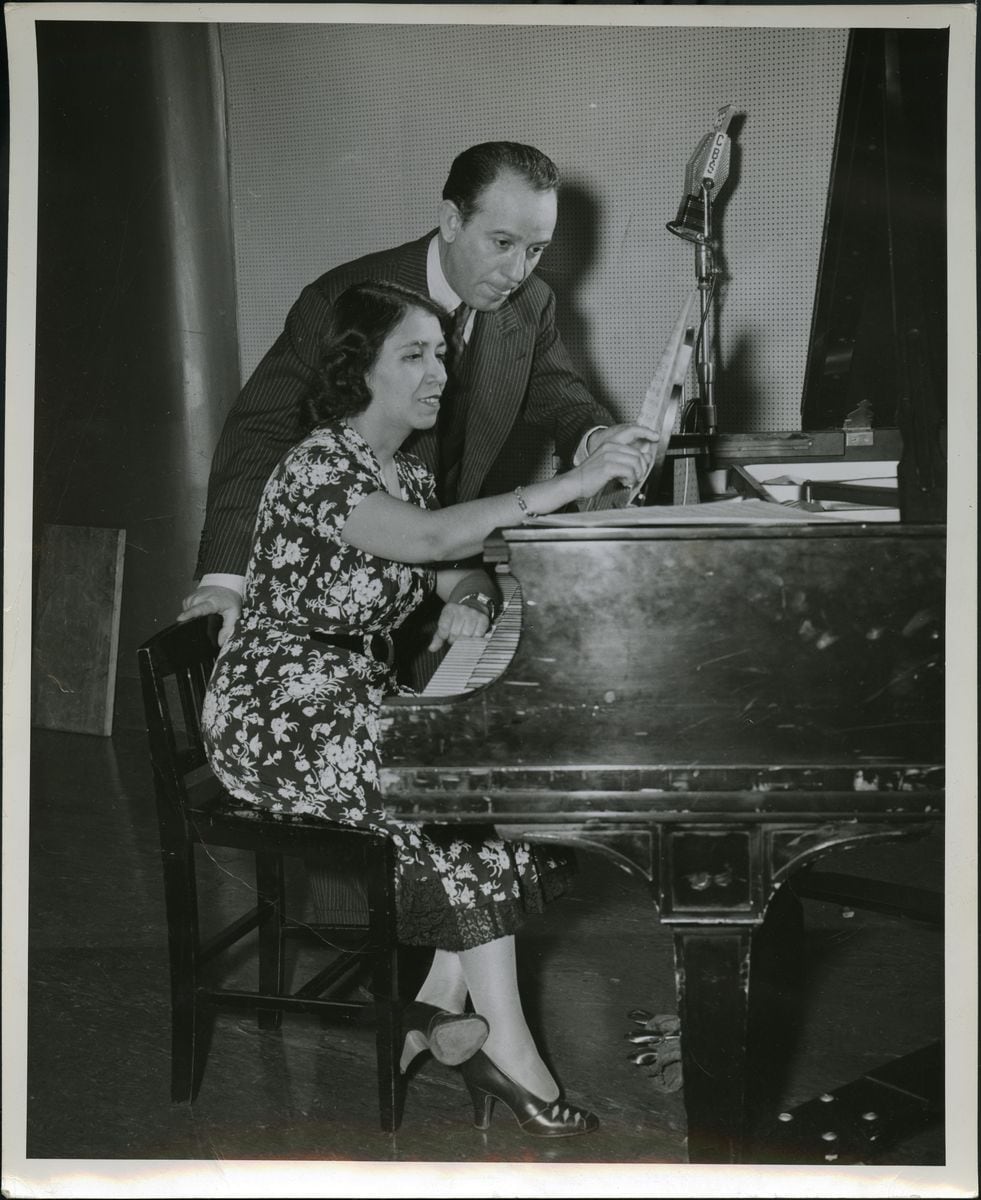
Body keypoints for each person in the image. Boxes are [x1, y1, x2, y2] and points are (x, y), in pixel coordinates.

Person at [200, 281, 653, 1136]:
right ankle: (507, 1050)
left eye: (440, 352)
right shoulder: (316, 465)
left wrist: (470, 597)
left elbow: (451, 563)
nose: (438, 370)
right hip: (275, 713)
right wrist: (579, 480)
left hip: (347, 695)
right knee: (451, 793)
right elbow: (432, 538)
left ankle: (438, 1012)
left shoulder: (402, 467)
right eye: (413, 354)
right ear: (356, 370)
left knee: (485, 780)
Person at [180, 141, 643, 644]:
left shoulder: (531, 303)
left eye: (535, 251)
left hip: (435, 581)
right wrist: (225, 582)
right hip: (338, 598)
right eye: (502, 243)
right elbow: (260, 434)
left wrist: (596, 437)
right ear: (451, 221)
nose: (517, 274)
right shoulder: (342, 300)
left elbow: (558, 393)